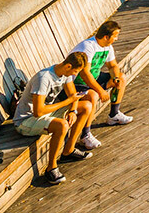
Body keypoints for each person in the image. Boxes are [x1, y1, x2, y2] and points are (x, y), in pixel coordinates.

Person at [13, 51, 96, 186]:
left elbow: (73, 95)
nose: (75, 74)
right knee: (62, 125)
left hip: (46, 113)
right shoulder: (44, 78)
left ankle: (68, 150)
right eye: (75, 71)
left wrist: (73, 111)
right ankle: (51, 168)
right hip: (25, 121)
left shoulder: (65, 74)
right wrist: (67, 103)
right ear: (68, 66)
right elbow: (38, 111)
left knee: (86, 106)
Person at [71, 20, 133, 142]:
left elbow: (113, 66)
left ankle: (114, 115)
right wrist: (100, 91)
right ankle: (85, 135)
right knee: (93, 96)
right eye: (115, 36)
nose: (117, 39)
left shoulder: (107, 47)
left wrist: (115, 78)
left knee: (121, 77)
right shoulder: (88, 47)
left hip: (95, 77)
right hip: (77, 83)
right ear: (106, 36)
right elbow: (85, 74)